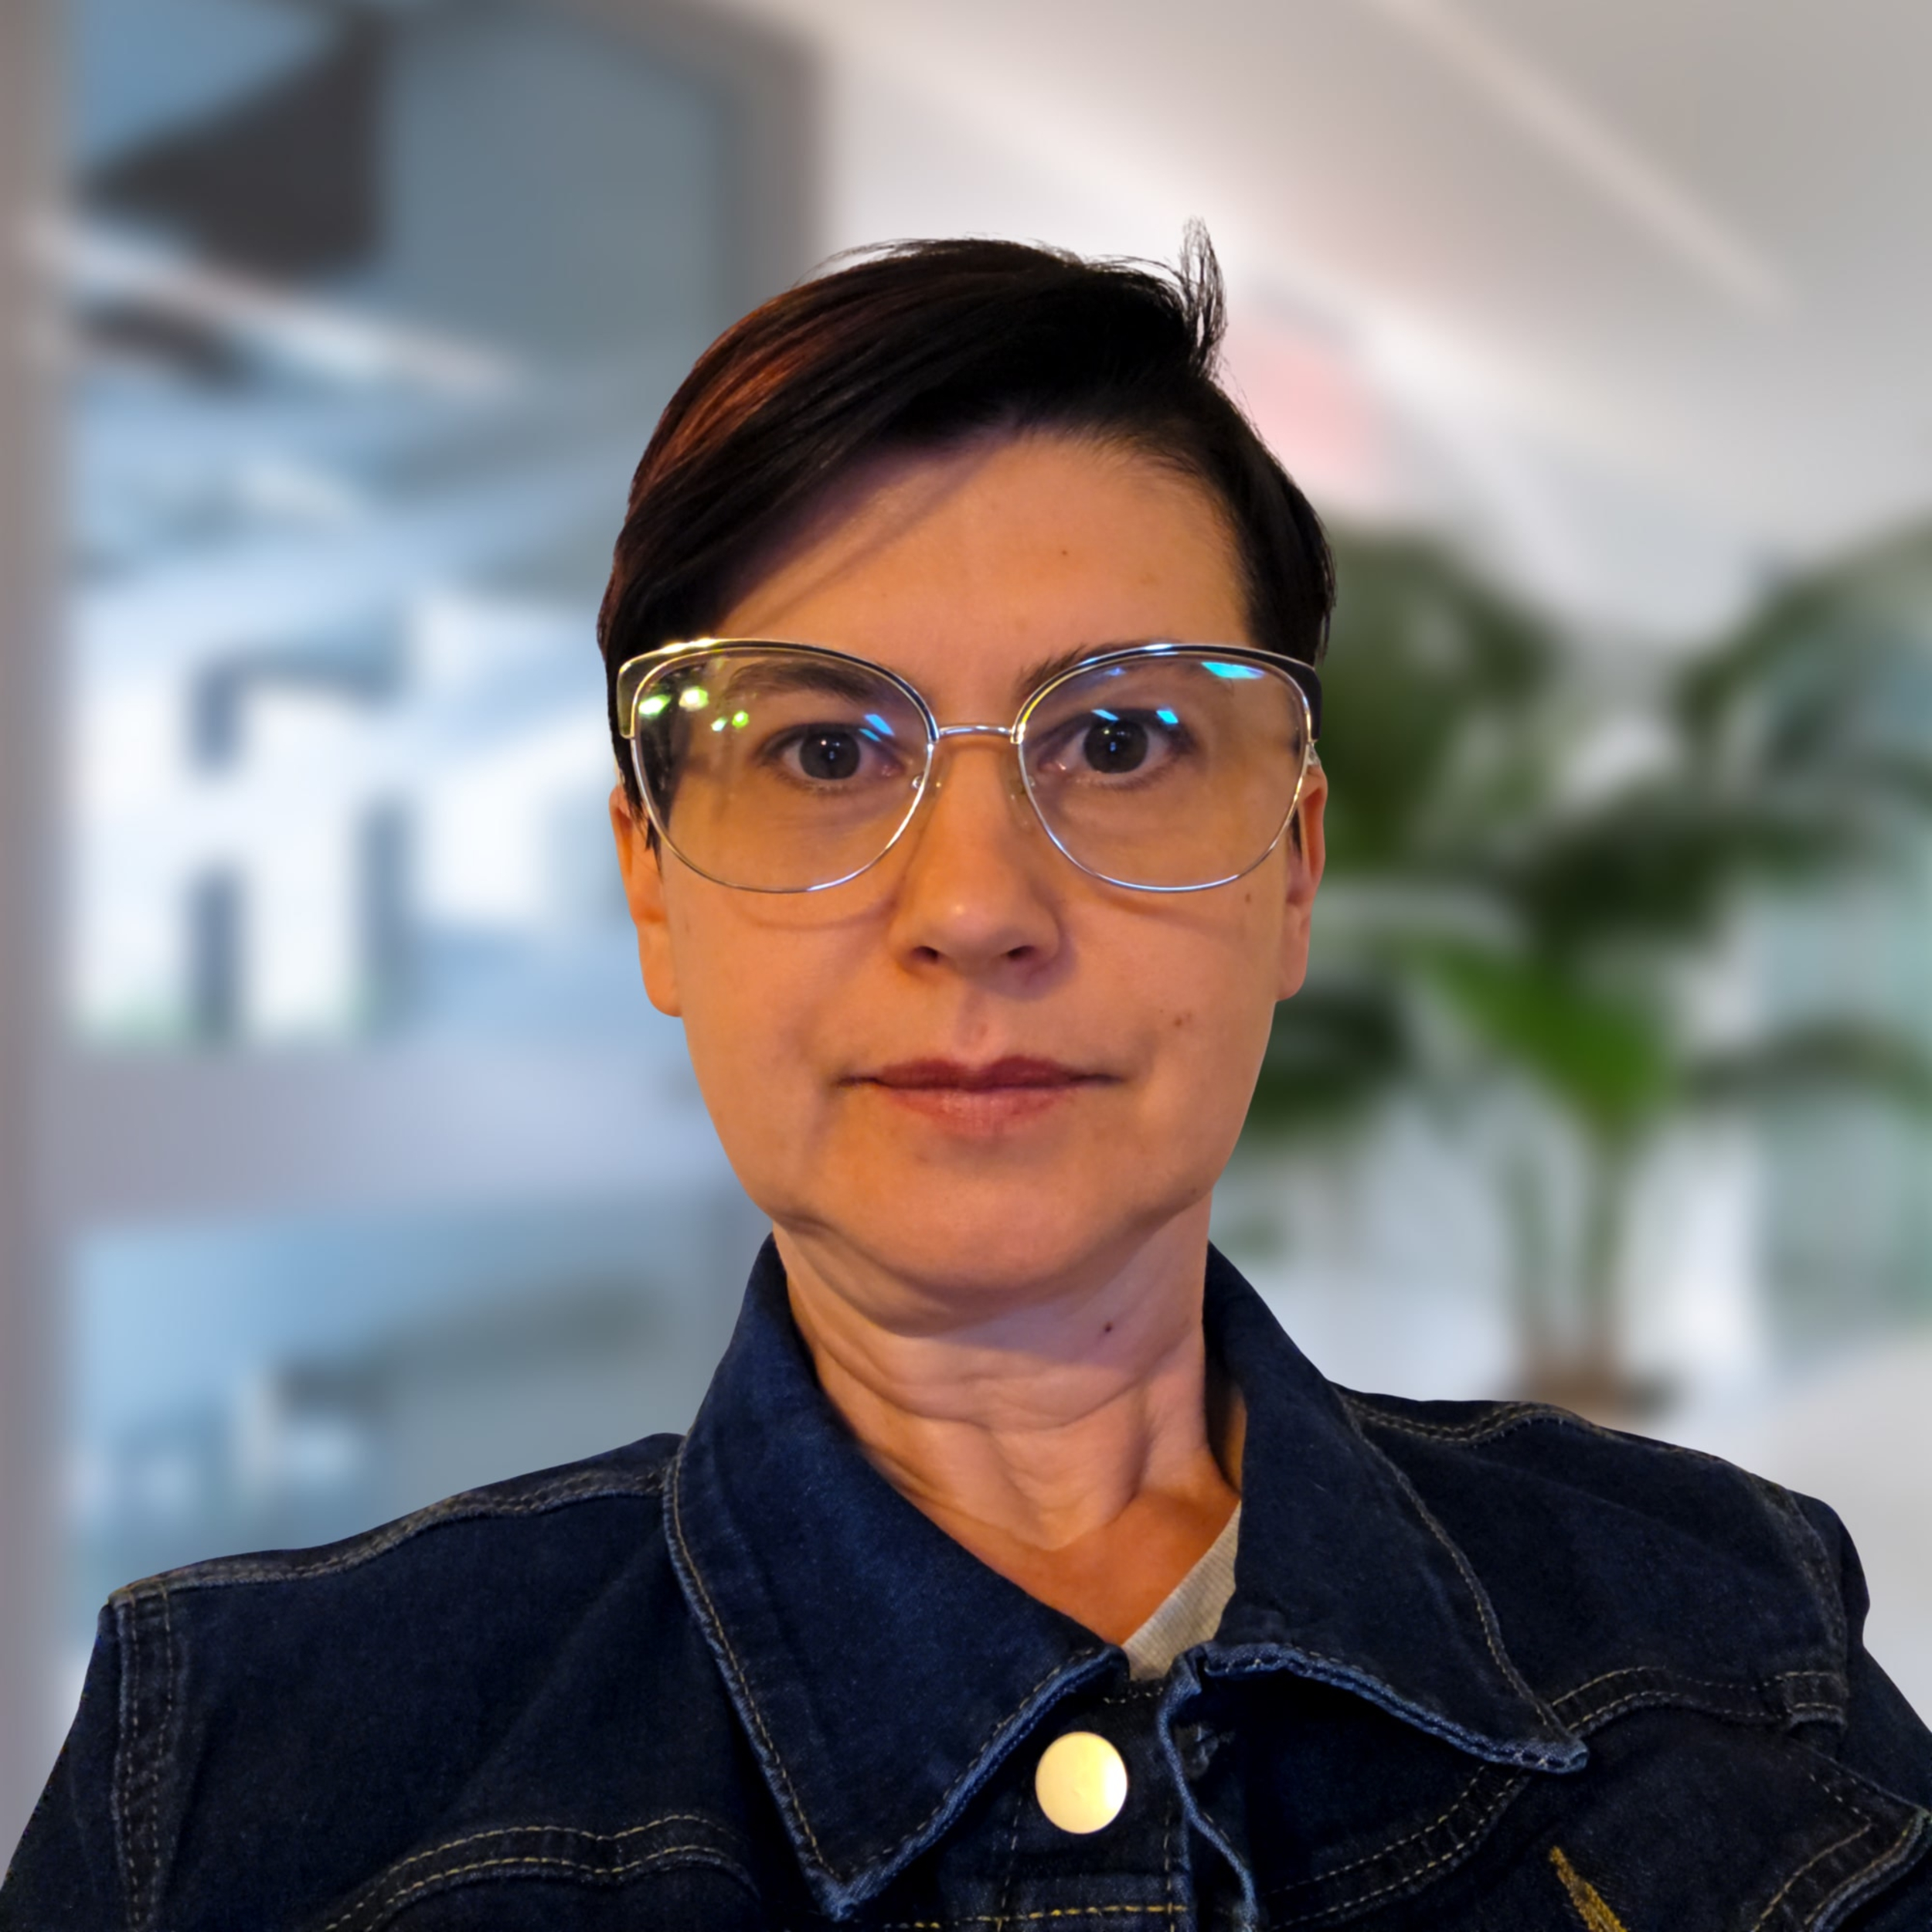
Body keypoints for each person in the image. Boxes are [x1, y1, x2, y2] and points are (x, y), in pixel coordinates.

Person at [5, 234, 1931, 1932]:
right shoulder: (237, 1771)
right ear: (653, 886)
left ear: (1290, 871)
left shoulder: (1726, 1622)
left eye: (1122, 738)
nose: (977, 907)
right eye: (823, 749)